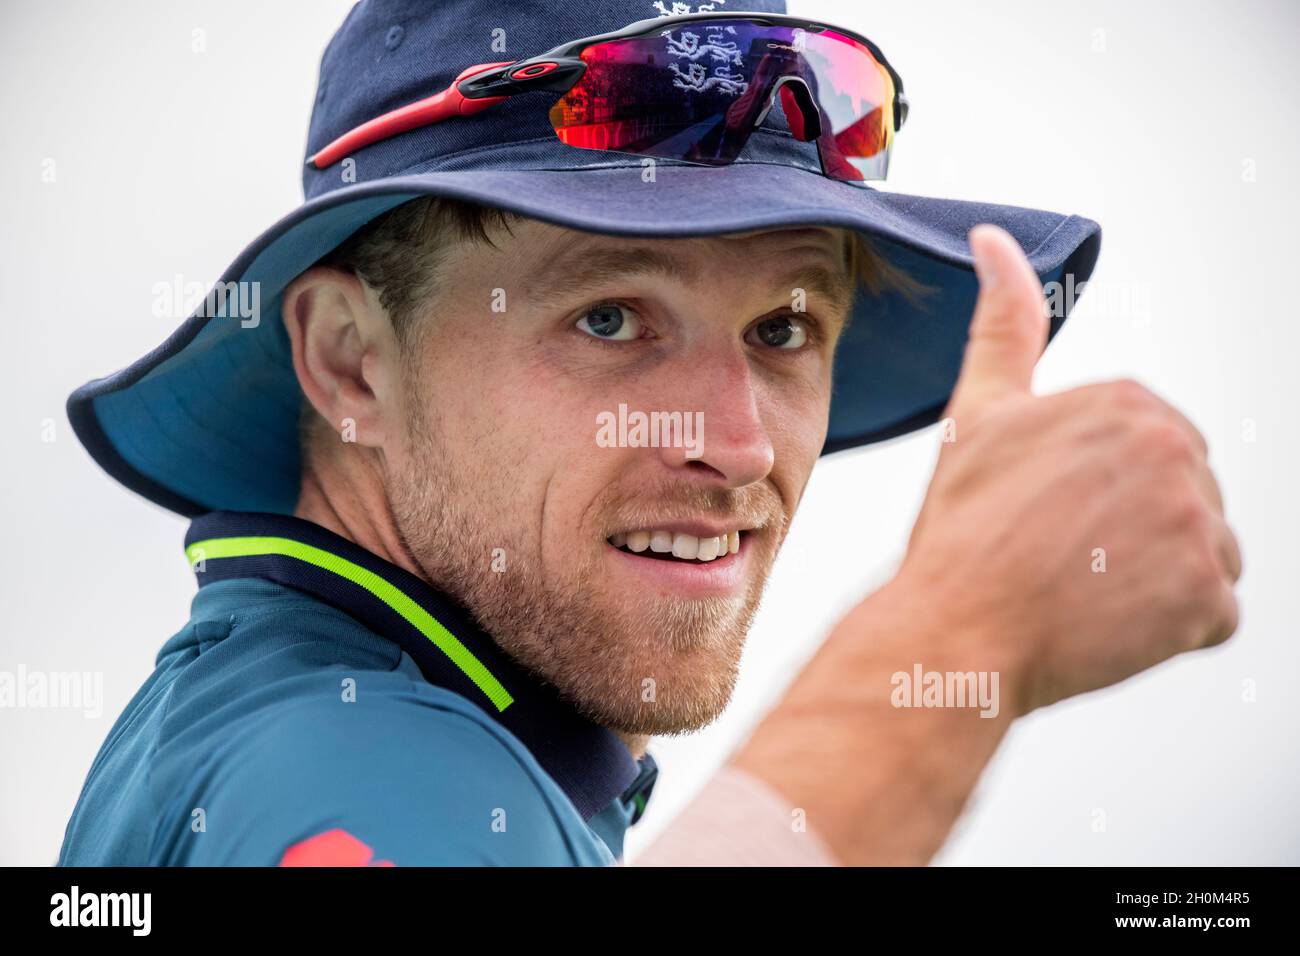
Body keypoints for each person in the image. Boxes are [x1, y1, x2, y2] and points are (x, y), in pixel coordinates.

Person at [59, 0, 1239, 866]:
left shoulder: (284, 717)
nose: (733, 442)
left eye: (784, 326)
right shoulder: (359, 765)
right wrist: (961, 638)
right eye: (611, 315)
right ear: (349, 361)